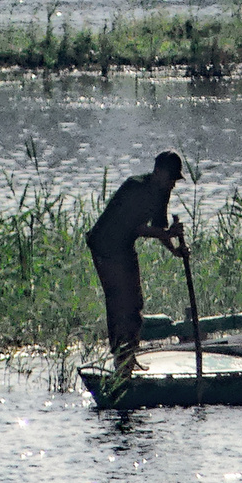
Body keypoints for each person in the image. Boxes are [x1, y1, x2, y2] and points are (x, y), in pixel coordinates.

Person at [87, 150, 186, 373]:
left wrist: (174, 250)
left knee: (135, 302)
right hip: (105, 245)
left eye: (175, 180)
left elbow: (159, 227)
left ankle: (130, 355)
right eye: (171, 178)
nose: (173, 184)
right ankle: (121, 359)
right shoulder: (135, 187)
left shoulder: (162, 192)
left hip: (124, 246)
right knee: (119, 302)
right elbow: (138, 228)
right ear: (158, 172)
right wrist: (168, 234)